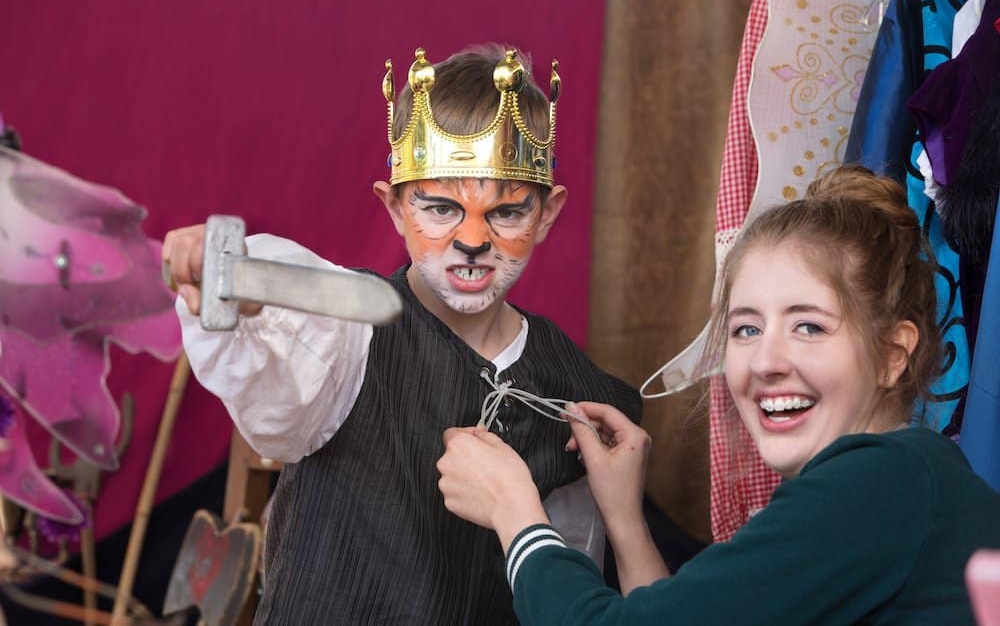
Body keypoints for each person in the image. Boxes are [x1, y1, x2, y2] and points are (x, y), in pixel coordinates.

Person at [161, 44, 641, 625]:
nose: (472, 240)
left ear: (547, 213)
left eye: (506, 213)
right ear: (394, 208)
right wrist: (242, 281)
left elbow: (568, 583)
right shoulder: (346, 336)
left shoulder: (578, 391)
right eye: (439, 209)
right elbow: (280, 377)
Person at [437, 165, 1000, 625]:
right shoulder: (908, 481)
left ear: (893, 354)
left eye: (809, 327)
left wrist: (514, 513)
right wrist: (625, 519)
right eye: (746, 329)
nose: (766, 362)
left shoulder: (879, 485)